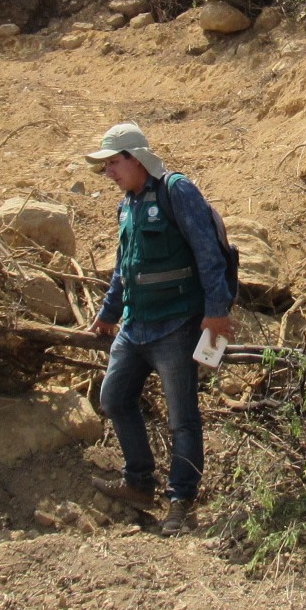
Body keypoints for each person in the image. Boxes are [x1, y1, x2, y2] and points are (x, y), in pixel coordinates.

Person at [84, 122, 234, 534]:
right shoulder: (127, 205)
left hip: (176, 325)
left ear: (136, 158)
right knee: (114, 398)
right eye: (105, 166)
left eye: (113, 163)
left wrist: (216, 311)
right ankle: (138, 483)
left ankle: (180, 501)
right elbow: (123, 268)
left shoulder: (176, 191)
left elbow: (208, 253)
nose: (108, 173)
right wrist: (108, 312)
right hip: (134, 326)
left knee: (182, 418)